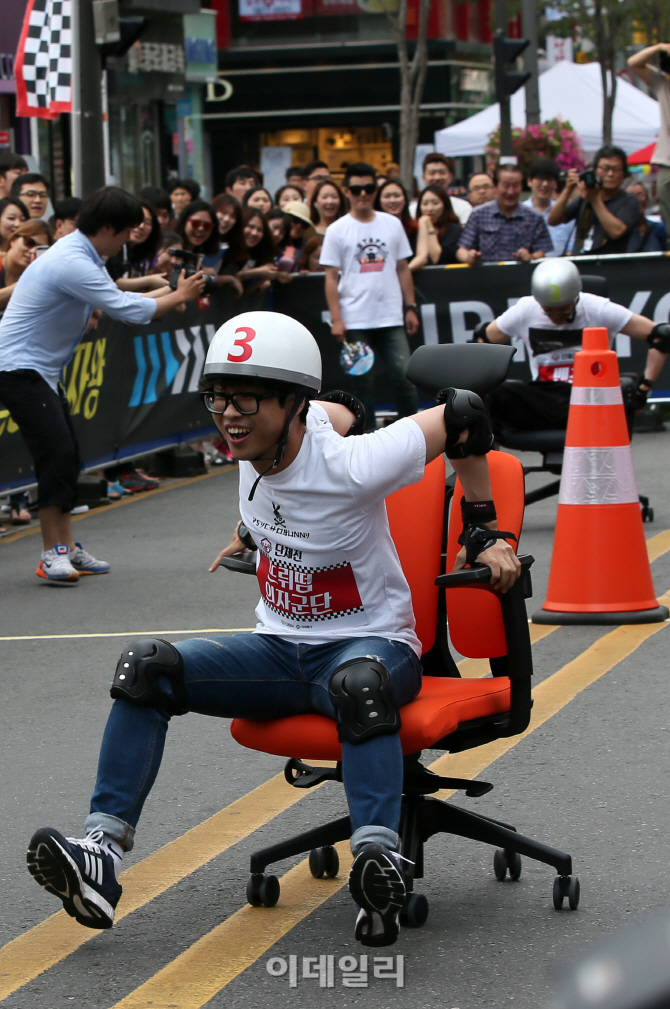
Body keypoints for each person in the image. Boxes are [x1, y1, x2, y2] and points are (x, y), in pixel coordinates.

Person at [25, 308, 520, 948]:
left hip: (371, 645)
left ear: (290, 403)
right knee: (146, 666)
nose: (228, 416)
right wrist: (251, 533)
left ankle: (380, 859)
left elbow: (466, 411)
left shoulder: (354, 465)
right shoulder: (251, 444)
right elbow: (338, 408)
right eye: (218, 398)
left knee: (357, 684)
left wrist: (485, 531)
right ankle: (102, 854)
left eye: (246, 400)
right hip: (279, 650)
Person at [0, 187, 206, 582]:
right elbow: (126, 310)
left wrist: (172, 288)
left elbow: (116, 297)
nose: (129, 238)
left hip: (39, 369)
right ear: (108, 227)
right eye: (127, 231)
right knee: (55, 454)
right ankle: (52, 552)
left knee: (68, 454)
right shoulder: (72, 260)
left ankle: (67, 547)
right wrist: (178, 293)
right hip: (17, 368)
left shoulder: (81, 253)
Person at [472, 258, 668, 435]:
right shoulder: (526, 309)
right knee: (491, 396)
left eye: (564, 310)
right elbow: (482, 339)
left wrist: (644, 389)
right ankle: (491, 469)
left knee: (624, 387)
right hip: (545, 398)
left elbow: (660, 335)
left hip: (591, 397)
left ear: (576, 297)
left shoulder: (597, 308)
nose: (556, 317)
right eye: (549, 311)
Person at [320, 162, 420, 430]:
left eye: (368, 188)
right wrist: (337, 319)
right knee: (362, 383)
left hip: (391, 317)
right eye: (356, 189)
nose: (362, 194)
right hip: (355, 320)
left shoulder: (392, 224)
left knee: (406, 377)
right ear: (347, 191)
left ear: (375, 190)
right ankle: (365, 439)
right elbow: (330, 277)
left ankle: (414, 435)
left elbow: (403, 268)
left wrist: (410, 306)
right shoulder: (337, 230)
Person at [547, 146, 640, 256]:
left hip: (611, 266)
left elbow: (617, 232)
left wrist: (595, 200)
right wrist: (568, 189)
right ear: (595, 170)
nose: (610, 174)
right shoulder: (584, 198)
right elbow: (553, 220)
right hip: (581, 263)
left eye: (616, 169)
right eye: (605, 168)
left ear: (623, 173)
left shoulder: (629, 201)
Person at [457, 164, 553, 265]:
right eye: (506, 186)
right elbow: (461, 250)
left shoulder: (534, 216)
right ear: (495, 187)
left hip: (522, 275)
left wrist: (530, 257)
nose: (510, 192)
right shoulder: (479, 214)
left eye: (515, 186)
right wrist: (469, 257)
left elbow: (542, 250)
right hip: (487, 276)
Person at [628, 43, 670, 244]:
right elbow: (634, 62)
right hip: (667, 159)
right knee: (664, 198)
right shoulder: (662, 83)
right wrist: (660, 48)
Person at [523, 158, 576, 257]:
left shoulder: (564, 213)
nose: (545, 184)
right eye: (540, 179)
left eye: (549, 179)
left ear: (556, 183)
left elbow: (572, 247)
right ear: (530, 181)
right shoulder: (520, 212)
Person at [106, 200, 163, 289]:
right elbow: (115, 283)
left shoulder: (146, 252)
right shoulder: (115, 246)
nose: (141, 226)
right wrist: (150, 281)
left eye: (147, 223)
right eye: (138, 220)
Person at [0, 218, 52, 312]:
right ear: (14, 240)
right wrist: (22, 284)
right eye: (29, 242)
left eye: (39, 249)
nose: (32, 251)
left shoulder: (38, 278)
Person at [409, 184, 462, 270]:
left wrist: (429, 227)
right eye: (425, 204)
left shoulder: (454, 230)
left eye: (435, 203)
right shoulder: (413, 230)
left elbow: (436, 259)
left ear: (445, 205)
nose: (430, 208)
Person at [409, 153, 472, 225]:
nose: (437, 178)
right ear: (423, 178)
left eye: (442, 173)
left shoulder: (463, 207)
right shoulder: (412, 210)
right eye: (432, 173)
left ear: (450, 176)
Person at [624, 178, 667, 253]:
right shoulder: (619, 231)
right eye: (631, 196)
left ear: (647, 200)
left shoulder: (659, 228)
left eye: (640, 195)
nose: (637, 200)